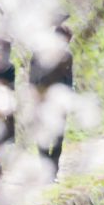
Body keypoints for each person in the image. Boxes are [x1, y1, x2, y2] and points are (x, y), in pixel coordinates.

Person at [30, 25, 73, 179]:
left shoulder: (67, 56)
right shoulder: (39, 53)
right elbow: (32, 78)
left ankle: (52, 171)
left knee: (57, 136)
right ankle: (47, 169)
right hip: (43, 101)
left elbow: (68, 81)